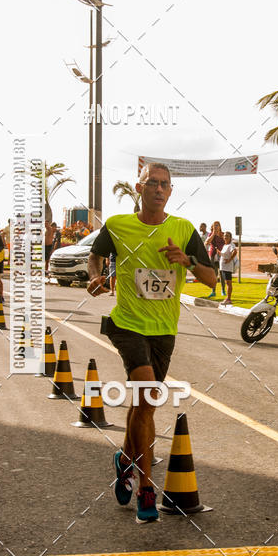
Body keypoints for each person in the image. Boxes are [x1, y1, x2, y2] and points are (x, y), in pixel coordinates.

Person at [87, 163, 216, 524]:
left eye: (165, 185)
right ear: (138, 188)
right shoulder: (117, 225)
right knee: (146, 395)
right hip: (126, 324)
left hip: (164, 330)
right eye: (152, 183)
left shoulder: (183, 229)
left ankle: (125, 460)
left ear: (170, 192)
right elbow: (94, 256)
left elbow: (210, 279)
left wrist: (186, 259)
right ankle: (146, 487)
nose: (159, 189)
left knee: (143, 406)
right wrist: (95, 278)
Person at [206, 221, 225, 298]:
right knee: (214, 274)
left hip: (221, 256)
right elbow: (207, 242)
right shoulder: (211, 234)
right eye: (215, 225)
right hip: (213, 256)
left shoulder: (223, 234)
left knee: (222, 274)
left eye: (217, 225)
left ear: (220, 227)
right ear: (212, 227)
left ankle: (223, 290)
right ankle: (213, 291)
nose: (216, 227)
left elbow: (227, 243)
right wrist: (213, 234)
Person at [219, 232, 237, 305]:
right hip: (223, 267)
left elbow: (235, 251)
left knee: (228, 283)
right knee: (227, 283)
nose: (225, 237)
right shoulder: (225, 245)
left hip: (227, 267)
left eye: (227, 236)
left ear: (230, 237)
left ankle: (229, 299)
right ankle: (227, 298)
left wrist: (229, 259)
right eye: (225, 236)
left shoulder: (231, 245)